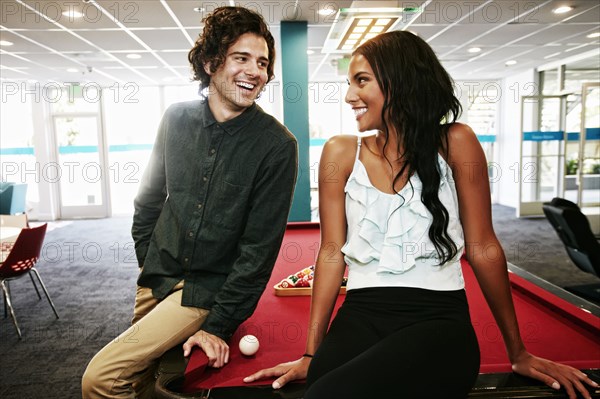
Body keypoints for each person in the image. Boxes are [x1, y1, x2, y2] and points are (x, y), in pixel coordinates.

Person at [243, 31, 598, 398]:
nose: (349, 96)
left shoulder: (457, 141)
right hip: (362, 314)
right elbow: (331, 252)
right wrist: (311, 353)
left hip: (439, 319)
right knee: (320, 384)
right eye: (349, 83)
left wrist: (518, 352)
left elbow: (483, 247)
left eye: (361, 81)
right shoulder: (340, 152)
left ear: (399, 82)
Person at [81, 6, 298, 398]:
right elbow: (148, 201)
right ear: (211, 62)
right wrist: (149, 259)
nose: (256, 71)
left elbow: (258, 252)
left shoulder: (277, 146)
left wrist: (218, 324)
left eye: (263, 63)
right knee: (142, 384)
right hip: (155, 277)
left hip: (204, 292)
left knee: (101, 379)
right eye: (242, 58)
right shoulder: (174, 118)